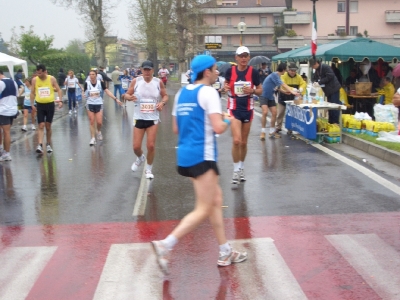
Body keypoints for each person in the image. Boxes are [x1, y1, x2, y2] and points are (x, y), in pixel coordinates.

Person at [151, 55, 247, 275]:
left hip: (185, 155)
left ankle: (225, 251)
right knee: (203, 208)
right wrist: (228, 119)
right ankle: (165, 244)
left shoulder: (182, 94)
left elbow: (176, 128)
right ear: (206, 72)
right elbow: (218, 128)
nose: (217, 74)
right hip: (203, 156)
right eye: (215, 70)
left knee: (216, 200)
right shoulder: (209, 93)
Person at [224, 46, 262, 185]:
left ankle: (241, 167)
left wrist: (252, 90)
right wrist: (225, 88)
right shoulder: (230, 71)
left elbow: (260, 90)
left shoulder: (253, 72)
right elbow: (225, 86)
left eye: (246, 55)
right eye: (241, 56)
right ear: (236, 58)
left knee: (244, 142)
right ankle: (235, 170)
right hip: (233, 108)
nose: (244, 58)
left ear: (249, 57)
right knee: (236, 141)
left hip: (247, 108)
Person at [124, 60, 168, 179]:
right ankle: (140, 158)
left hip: (153, 118)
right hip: (139, 118)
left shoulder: (158, 82)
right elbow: (126, 95)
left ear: (153, 70)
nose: (147, 72)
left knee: (151, 146)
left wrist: (162, 103)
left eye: (149, 70)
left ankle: (148, 169)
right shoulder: (136, 81)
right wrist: (129, 97)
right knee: (136, 147)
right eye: (145, 70)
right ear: (141, 70)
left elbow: (165, 95)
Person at [30, 64, 63, 153]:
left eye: (40, 73)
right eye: (37, 73)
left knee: (48, 126)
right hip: (40, 105)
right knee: (41, 125)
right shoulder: (34, 80)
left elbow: (59, 90)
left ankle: (48, 144)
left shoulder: (51, 79)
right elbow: (32, 92)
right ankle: (40, 144)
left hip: (49, 105)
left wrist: (60, 100)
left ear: (45, 71)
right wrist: (32, 104)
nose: (38, 75)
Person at [84, 70, 123, 146]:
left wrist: (115, 99)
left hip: (99, 103)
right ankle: (92, 138)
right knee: (92, 121)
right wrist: (84, 95)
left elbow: (107, 91)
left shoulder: (100, 83)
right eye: (90, 74)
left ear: (96, 75)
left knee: (99, 122)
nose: (91, 76)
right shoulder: (87, 83)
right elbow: (85, 93)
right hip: (90, 104)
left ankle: (98, 131)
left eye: (93, 74)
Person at [260, 63, 298, 140]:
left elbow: (277, 88)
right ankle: (263, 132)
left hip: (270, 96)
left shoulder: (278, 76)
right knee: (265, 112)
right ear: (283, 69)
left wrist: (284, 92)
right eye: (286, 69)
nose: (286, 71)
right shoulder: (275, 75)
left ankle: (272, 132)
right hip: (263, 95)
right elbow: (283, 84)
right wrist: (292, 91)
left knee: (274, 113)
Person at [276, 63, 306, 134]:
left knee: (291, 114)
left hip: (293, 98)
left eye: (294, 71)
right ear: (288, 70)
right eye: (291, 70)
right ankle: (278, 127)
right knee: (280, 113)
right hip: (283, 97)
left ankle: (290, 128)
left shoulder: (298, 77)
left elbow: (303, 83)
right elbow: (283, 85)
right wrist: (293, 89)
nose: (293, 72)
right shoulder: (283, 76)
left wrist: (301, 88)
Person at [310, 58, 342, 124]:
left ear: (316, 63)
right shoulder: (317, 70)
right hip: (328, 91)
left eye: (313, 66)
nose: (313, 67)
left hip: (334, 89)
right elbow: (314, 78)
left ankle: (335, 123)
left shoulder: (325, 67)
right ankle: (331, 122)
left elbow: (330, 76)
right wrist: (313, 82)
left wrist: (319, 82)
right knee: (330, 106)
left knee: (334, 106)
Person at [0, 70, 18, 161]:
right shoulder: (13, 82)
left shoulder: (1, 83)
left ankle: (6, 153)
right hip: (12, 109)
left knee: (6, 132)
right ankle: (2, 150)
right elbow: (16, 95)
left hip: (3, 110)